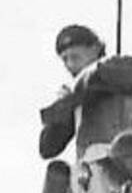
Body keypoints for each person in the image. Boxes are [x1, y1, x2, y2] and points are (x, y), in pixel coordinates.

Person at [39, 24, 108, 159]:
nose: (70, 65)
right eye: (65, 59)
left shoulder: (119, 75)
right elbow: (48, 148)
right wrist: (64, 107)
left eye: (75, 57)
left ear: (95, 50)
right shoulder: (77, 97)